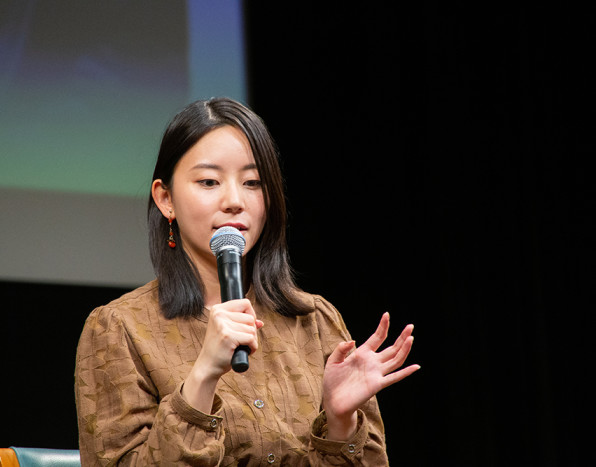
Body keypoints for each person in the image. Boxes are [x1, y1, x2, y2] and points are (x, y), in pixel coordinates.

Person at [74, 97, 420, 466]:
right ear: (165, 198)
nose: (235, 201)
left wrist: (339, 424)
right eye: (209, 181)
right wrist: (203, 376)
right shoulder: (119, 328)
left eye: (253, 182)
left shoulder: (314, 320)